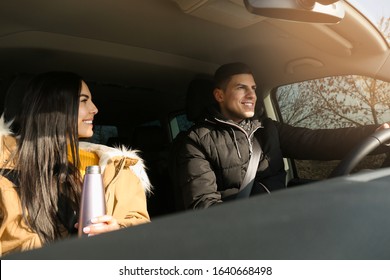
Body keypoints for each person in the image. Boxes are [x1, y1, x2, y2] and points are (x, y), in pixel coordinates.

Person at [173, 62, 390, 210]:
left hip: (285, 214)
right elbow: (204, 206)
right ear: (219, 95)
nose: (252, 95)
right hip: (243, 231)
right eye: (241, 88)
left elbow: (318, 141)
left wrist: (376, 133)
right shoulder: (197, 140)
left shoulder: (268, 128)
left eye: (254, 88)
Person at [0, 72, 152, 256]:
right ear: (53, 107)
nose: (94, 109)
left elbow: (139, 225)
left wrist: (117, 230)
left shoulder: (116, 165)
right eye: (83, 101)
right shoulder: (6, 168)